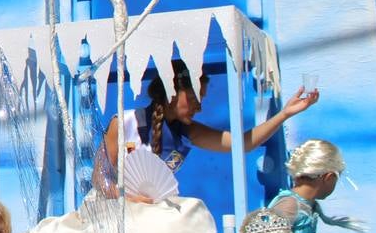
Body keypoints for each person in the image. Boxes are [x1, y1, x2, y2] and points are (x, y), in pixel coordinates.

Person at [100, 61, 320, 195]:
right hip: (121, 210)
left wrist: (284, 114)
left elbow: (241, 143)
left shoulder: (187, 131)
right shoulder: (125, 123)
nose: (199, 106)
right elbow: (99, 178)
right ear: (172, 92)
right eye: (195, 97)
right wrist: (128, 200)